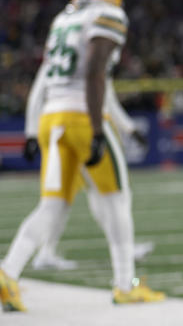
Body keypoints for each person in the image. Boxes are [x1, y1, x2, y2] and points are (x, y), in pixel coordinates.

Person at [0, 0, 165, 311]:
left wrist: (32, 129)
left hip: (52, 118)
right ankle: (125, 284)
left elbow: (53, 78)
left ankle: (7, 273)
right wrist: (96, 127)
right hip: (81, 117)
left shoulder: (63, 19)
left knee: (53, 206)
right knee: (117, 198)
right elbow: (94, 73)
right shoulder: (107, 15)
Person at [23, 66, 155, 271]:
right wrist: (129, 128)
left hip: (58, 127)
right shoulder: (91, 50)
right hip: (86, 128)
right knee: (111, 195)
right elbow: (105, 96)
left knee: (60, 201)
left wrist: (31, 132)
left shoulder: (68, 50)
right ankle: (123, 262)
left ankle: (39, 255)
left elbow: (38, 93)